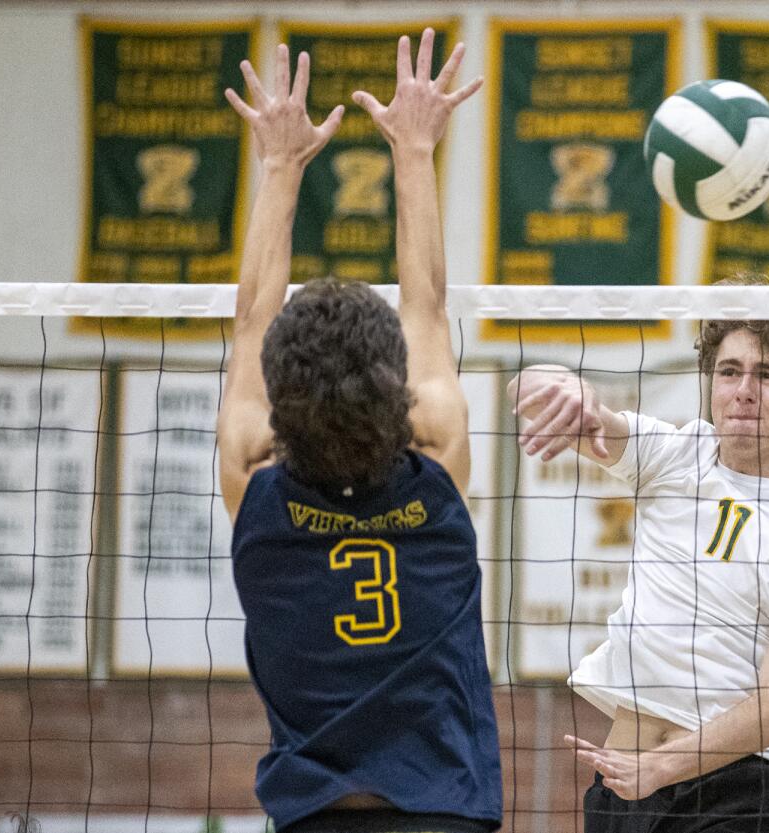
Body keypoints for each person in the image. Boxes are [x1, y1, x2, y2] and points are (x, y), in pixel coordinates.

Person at [216, 33, 500, 833]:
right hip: (445, 812)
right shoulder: (436, 464)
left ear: (279, 405)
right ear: (398, 389)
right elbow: (430, 307)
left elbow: (247, 324)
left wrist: (278, 167)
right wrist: (415, 150)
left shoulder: (255, 487)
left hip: (315, 818)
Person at [510, 278, 769, 833]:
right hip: (624, 783)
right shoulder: (676, 455)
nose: (743, 390)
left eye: (767, 376)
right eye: (729, 371)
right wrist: (563, 387)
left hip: (738, 794)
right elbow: (534, 393)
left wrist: (662, 767)